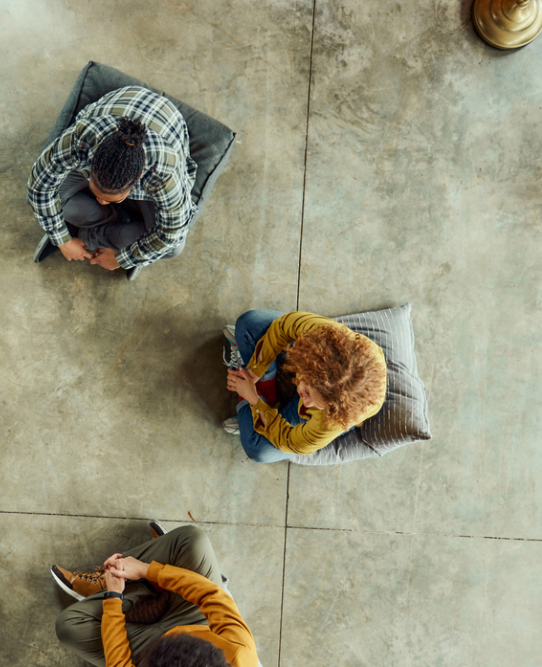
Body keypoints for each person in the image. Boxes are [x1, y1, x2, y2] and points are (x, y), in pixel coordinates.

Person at [53, 523, 256, 667]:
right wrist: (146, 569)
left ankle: (122, 581)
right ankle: (139, 575)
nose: (170, 635)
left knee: (68, 626)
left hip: (140, 652)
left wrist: (113, 597)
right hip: (194, 618)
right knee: (192, 539)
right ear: (216, 654)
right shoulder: (241, 653)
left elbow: (119, 664)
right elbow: (211, 595)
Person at [27, 85, 198, 280]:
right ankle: (112, 224)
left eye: (111, 200)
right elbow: (38, 189)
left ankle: (87, 235)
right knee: (50, 200)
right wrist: (62, 241)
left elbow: (172, 235)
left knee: (174, 249)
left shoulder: (164, 172)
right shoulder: (82, 138)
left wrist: (122, 258)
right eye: (97, 195)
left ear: (138, 178)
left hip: (162, 144)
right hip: (116, 111)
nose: (100, 201)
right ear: (92, 163)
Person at [223, 310, 388, 462]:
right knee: (249, 323)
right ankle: (258, 406)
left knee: (258, 449)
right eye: (308, 392)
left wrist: (254, 400)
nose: (306, 404)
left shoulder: (330, 423)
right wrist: (254, 372)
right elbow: (282, 328)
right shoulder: (320, 332)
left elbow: (290, 441)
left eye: (317, 403)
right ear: (309, 365)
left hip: (326, 413)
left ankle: (254, 407)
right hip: (312, 353)